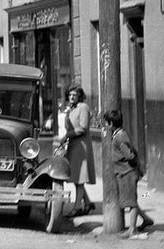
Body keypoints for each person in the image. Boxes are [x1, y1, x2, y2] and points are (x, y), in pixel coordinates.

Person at [104, 108, 154, 237]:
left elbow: (128, 155)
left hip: (127, 172)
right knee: (129, 199)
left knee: (131, 202)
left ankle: (132, 229)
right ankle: (146, 219)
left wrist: (132, 165)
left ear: (110, 124)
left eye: (106, 123)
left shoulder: (119, 137)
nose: (105, 126)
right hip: (124, 172)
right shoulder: (120, 134)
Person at [62, 86, 96, 215]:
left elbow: (83, 127)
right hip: (74, 145)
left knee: (79, 177)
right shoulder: (71, 109)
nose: (72, 97)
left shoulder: (83, 107)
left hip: (81, 146)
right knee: (76, 176)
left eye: (74, 95)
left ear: (79, 96)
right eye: (70, 95)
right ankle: (87, 203)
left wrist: (67, 135)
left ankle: (77, 208)